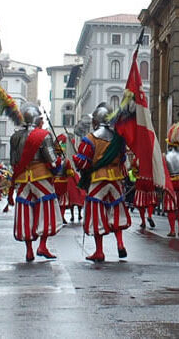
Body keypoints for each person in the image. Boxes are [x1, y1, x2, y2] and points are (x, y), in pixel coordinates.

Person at [75, 102, 130, 262]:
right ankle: (120, 243)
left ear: (96, 121)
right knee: (116, 212)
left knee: (97, 214)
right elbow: (123, 159)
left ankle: (99, 251)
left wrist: (76, 161)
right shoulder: (118, 139)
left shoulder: (90, 138)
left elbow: (84, 163)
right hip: (115, 179)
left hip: (98, 179)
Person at [8, 105, 63, 261]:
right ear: (36, 119)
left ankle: (29, 251)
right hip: (41, 177)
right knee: (46, 211)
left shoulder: (15, 137)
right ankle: (42, 245)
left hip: (23, 179)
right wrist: (59, 161)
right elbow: (52, 162)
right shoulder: (43, 135)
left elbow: (14, 162)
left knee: (26, 214)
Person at [131, 150, 157, 229]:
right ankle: (149, 215)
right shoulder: (153, 158)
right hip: (150, 180)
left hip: (140, 180)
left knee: (140, 202)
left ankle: (143, 221)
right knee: (151, 200)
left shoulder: (136, 158)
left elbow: (134, 171)